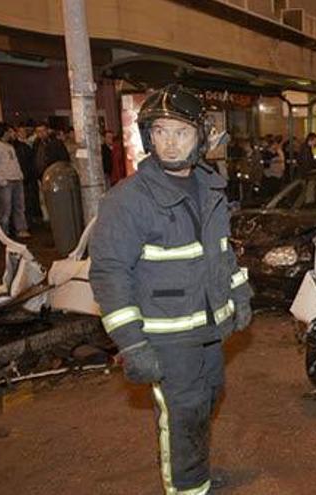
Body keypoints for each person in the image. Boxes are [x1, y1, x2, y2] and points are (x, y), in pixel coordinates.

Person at [89, 85, 253, 495]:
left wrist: (239, 295)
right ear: (148, 137)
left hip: (208, 329)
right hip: (166, 336)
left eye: (180, 131)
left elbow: (220, 254)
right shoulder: (128, 200)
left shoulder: (209, 188)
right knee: (183, 412)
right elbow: (109, 274)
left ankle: (195, 472)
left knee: (208, 400)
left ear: (200, 137)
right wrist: (131, 345)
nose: (170, 141)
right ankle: (188, 488)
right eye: (160, 131)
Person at [0, 122, 29, 238]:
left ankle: (21, 229)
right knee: (4, 209)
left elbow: (14, 163)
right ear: (5, 132)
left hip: (16, 179)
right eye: (10, 131)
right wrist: (1, 180)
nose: (12, 133)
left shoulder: (9, 146)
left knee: (19, 206)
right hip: (4, 182)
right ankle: (2, 232)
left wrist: (20, 175)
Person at [11, 126, 41, 225]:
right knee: (25, 201)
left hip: (29, 177)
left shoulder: (29, 144)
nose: (23, 133)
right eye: (21, 131)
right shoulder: (20, 147)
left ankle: (31, 218)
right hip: (26, 177)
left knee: (29, 200)